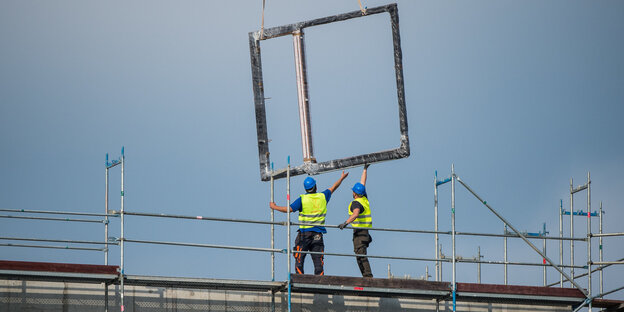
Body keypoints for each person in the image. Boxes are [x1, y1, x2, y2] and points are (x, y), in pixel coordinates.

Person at [270, 171, 349, 275]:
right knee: (318, 262)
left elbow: (288, 209)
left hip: (304, 235)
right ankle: (320, 283)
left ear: (306, 188)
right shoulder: (323, 197)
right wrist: (342, 178)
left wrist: (274, 207)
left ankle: (299, 281)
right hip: (318, 235)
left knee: (299, 259)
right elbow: (334, 187)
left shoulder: (303, 199)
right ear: (315, 186)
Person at [339, 164, 373, 277]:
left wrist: (345, 223)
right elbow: (363, 183)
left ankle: (368, 277)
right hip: (366, 232)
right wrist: (365, 169)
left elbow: (356, 214)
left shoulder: (356, 203)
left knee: (360, 254)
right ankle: (367, 276)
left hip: (359, 233)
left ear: (354, 193)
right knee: (360, 254)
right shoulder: (364, 198)